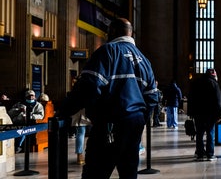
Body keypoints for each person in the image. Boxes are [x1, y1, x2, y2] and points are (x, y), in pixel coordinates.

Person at [56, 17, 159, 179]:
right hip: (134, 127)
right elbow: (152, 97)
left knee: (95, 173)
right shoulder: (144, 60)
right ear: (130, 34)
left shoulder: (107, 51)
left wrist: (64, 111)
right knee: (128, 173)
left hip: (109, 124)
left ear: (112, 32)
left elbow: (88, 86)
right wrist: (138, 118)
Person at [188, 68, 221, 161]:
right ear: (214, 75)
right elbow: (218, 101)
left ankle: (199, 154)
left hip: (198, 113)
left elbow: (191, 98)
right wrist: (219, 114)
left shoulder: (196, 83)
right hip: (210, 114)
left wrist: (190, 112)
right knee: (210, 133)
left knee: (199, 134)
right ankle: (210, 154)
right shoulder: (214, 84)